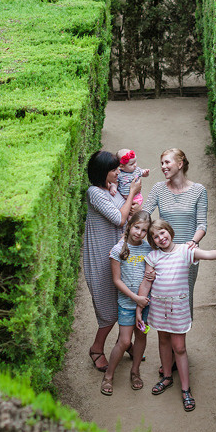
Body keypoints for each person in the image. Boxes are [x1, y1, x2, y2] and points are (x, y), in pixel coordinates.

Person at [137, 218, 216, 412]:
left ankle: (186, 389)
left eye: (163, 232)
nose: (161, 238)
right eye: (155, 236)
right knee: (163, 341)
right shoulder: (152, 257)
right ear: (152, 241)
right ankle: (167, 377)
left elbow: (208, 253)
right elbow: (146, 283)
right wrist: (139, 308)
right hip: (159, 308)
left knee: (179, 347)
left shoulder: (185, 251)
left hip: (178, 308)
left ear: (169, 231)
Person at [83, 150, 142, 372]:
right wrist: (131, 196)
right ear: (102, 173)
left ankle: (123, 343)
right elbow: (118, 218)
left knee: (123, 302)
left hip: (118, 255)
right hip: (101, 258)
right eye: (114, 169)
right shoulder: (94, 193)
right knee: (107, 308)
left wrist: (133, 205)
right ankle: (96, 348)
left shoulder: (111, 188)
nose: (118, 172)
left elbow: (126, 215)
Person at [143, 148, 207, 319]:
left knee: (184, 300)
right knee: (164, 299)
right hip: (164, 255)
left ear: (180, 164)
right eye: (161, 163)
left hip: (186, 254)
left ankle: (179, 345)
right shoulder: (158, 189)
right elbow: (144, 215)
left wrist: (193, 241)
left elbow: (201, 224)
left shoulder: (199, 190)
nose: (163, 166)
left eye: (167, 162)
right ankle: (168, 343)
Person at [101, 211, 154, 396]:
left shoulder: (148, 249)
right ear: (130, 225)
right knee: (124, 341)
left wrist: (152, 277)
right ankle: (108, 376)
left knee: (141, 336)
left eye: (144, 230)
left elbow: (150, 276)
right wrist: (135, 298)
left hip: (144, 304)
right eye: (137, 227)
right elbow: (117, 280)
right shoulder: (117, 250)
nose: (139, 233)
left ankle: (135, 371)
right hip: (127, 303)